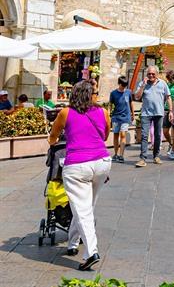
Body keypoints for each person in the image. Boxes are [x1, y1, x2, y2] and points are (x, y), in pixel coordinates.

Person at [47, 80, 111, 271]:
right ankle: (73, 243)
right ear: (91, 95)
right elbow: (105, 137)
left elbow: (52, 138)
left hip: (77, 165)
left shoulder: (65, 113)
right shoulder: (104, 112)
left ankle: (92, 251)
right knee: (86, 206)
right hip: (102, 163)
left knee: (82, 210)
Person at [134, 65, 172, 167]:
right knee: (144, 136)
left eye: (153, 74)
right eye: (149, 74)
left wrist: (171, 111)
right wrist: (143, 86)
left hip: (159, 113)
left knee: (158, 136)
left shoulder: (163, 83)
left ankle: (156, 156)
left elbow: (168, 97)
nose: (151, 75)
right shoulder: (143, 83)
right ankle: (142, 158)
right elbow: (137, 97)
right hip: (146, 114)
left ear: (157, 74)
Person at [108, 76, 133, 163]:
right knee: (115, 135)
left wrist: (132, 114)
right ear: (119, 84)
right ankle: (115, 154)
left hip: (125, 117)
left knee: (123, 135)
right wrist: (108, 114)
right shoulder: (113, 93)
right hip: (116, 117)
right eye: (122, 85)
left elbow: (130, 103)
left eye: (125, 86)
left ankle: (121, 155)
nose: (124, 88)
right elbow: (110, 105)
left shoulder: (129, 92)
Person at [163, 71, 174, 160]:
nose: (169, 81)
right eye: (168, 80)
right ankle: (170, 143)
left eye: (170, 80)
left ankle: (173, 151)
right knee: (165, 131)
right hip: (166, 110)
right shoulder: (167, 85)